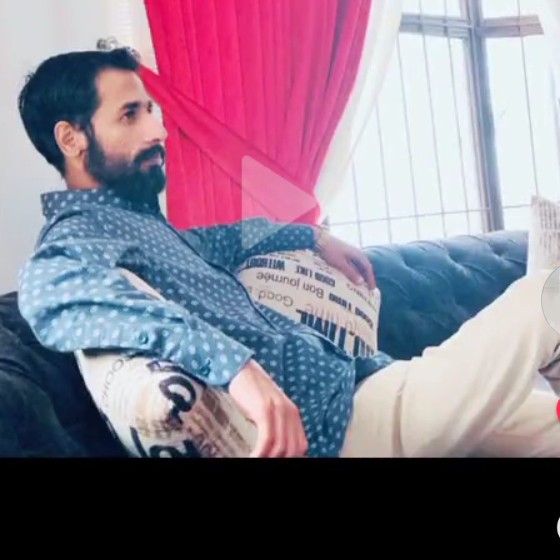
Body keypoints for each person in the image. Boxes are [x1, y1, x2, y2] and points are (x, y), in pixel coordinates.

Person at [16, 49, 560, 458]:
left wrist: (311, 236)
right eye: (131, 115)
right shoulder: (72, 247)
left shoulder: (142, 227)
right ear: (71, 139)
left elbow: (225, 238)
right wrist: (238, 370)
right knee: (543, 292)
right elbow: (44, 293)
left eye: (152, 110)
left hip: (366, 383)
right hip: (347, 427)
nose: (158, 130)